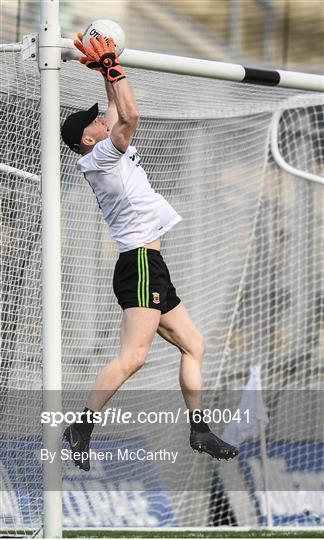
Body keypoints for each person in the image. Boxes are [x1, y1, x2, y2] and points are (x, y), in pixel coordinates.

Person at [61, 34, 238, 471]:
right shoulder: (101, 157)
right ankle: (81, 427)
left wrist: (108, 69)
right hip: (138, 262)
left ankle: (198, 428)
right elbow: (131, 113)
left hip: (149, 263)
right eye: (93, 123)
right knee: (134, 358)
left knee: (194, 344)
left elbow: (117, 110)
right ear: (89, 141)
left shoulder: (104, 149)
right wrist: (112, 68)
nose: (101, 120)